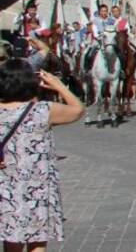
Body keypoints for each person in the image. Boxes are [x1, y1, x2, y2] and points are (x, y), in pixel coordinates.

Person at [0, 63, 84, 252]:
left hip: (6, 187)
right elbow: (78, 109)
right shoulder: (43, 111)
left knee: (11, 241)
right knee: (38, 241)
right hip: (37, 186)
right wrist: (59, 85)